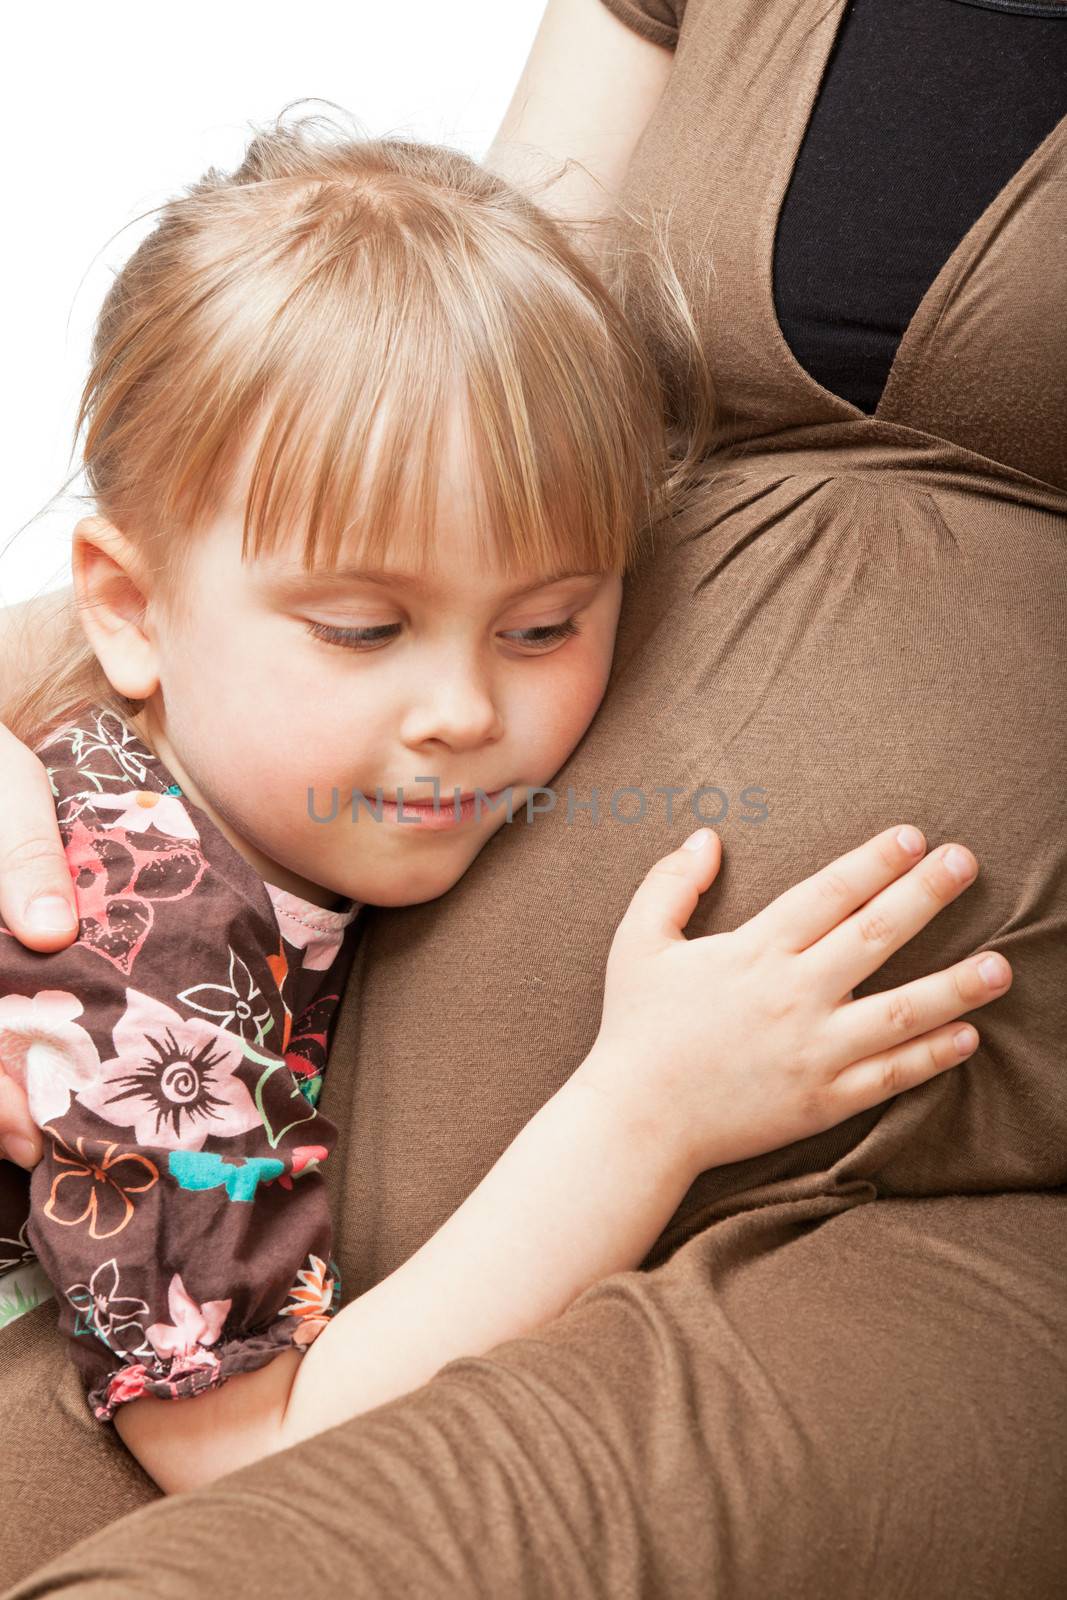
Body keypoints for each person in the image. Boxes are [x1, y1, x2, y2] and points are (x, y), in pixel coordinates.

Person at [0, 0, 1065, 1593]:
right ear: (128, 607)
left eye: (552, 623)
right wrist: (648, 1107)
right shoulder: (139, 983)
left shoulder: (224, 799)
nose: (465, 711)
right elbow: (263, 1454)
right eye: (364, 628)